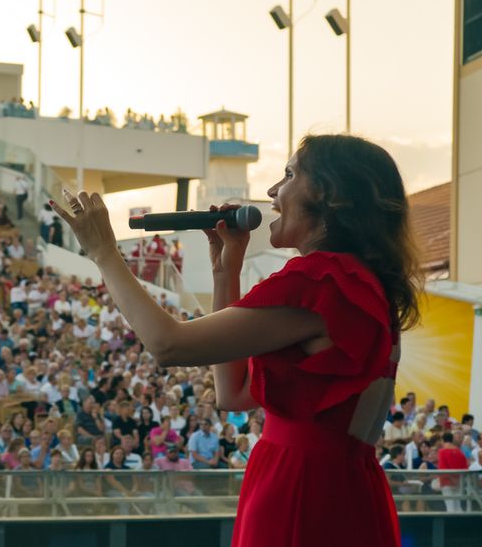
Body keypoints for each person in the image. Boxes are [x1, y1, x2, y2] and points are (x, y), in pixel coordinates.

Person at [55, 135, 419, 546]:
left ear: (327, 194)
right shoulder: (360, 284)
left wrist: (104, 251)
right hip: (341, 488)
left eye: (288, 175)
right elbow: (233, 394)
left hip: (301, 490)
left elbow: (168, 344)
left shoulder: (322, 282)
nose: (271, 193)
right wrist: (225, 274)